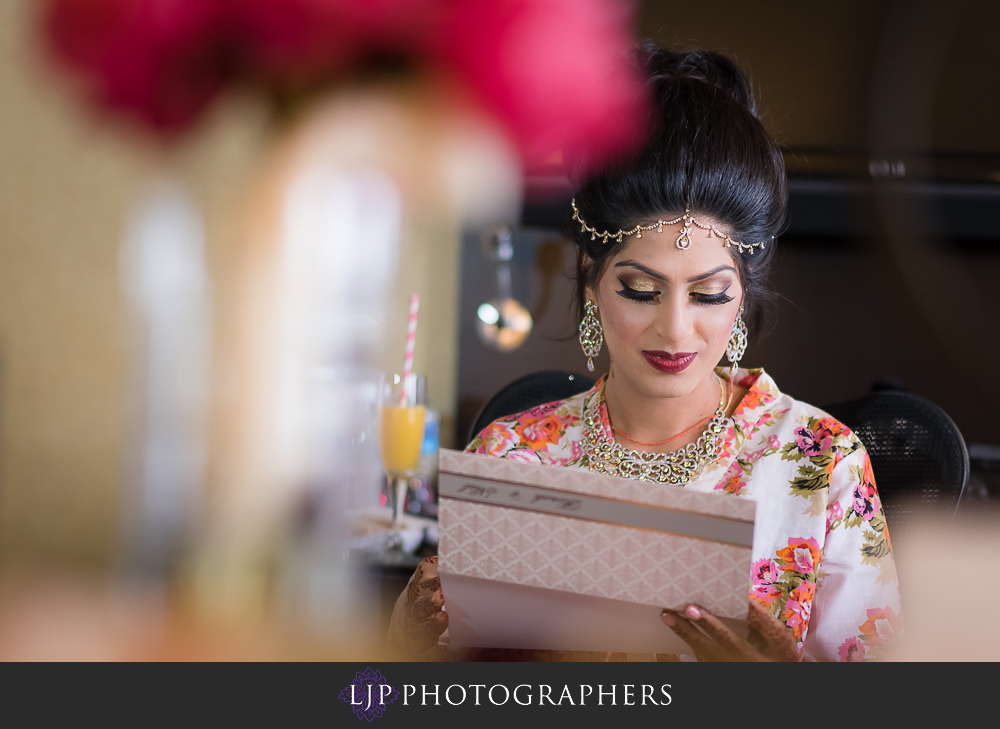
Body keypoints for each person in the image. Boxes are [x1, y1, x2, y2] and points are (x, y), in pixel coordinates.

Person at [389, 44, 900, 662]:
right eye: (641, 290)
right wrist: (409, 647)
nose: (675, 329)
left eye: (709, 295)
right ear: (590, 281)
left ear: (743, 294)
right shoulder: (513, 456)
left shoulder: (821, 467)